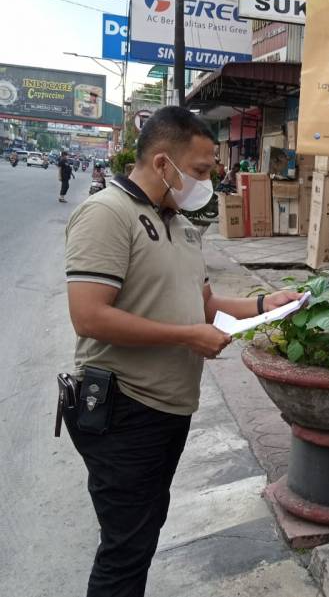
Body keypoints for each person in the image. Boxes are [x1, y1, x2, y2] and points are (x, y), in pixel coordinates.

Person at [62, 106, 299, 597]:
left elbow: (205, 304)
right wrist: (186, 336)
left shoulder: (177, 223)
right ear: (163, 162)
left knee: (142, 536)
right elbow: (89, 315)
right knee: (125, 549)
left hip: (168, 409)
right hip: (124, 409)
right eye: (199, 170)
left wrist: (263, 303)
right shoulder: (107, 214)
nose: (207, 182)